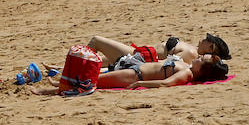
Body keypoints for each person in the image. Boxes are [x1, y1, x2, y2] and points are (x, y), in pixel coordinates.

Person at [97, 53, 228, 89]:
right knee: (93, 77)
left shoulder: (187, 73)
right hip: (135, 68)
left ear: (201, 69)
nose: (199, 57)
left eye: (201, 59)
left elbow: (165, 83)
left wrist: (139, 84)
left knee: (93, 81)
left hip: (136, 75)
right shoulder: (188, 68)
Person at [87, 33, 231, 66]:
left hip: (139, 57)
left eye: (207, 40)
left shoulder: (191, 54)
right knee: (95, 62)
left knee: (96, 41)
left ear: (211, 48)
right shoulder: (193, 50)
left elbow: (167, 65)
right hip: (141, 53)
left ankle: (74, 78)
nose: (203, 39)